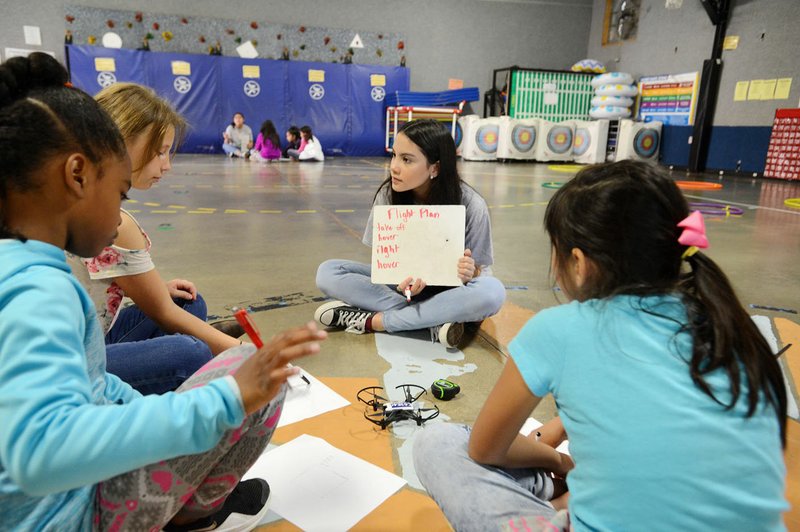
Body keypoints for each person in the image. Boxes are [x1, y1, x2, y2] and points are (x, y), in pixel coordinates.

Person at [0, 52, 327, 531]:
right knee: (250, 378)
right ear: (76, 175)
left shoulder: (24, 268)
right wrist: (224, 400)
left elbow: (95, 384)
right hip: (71, 515)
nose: (119, 214)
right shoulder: (38, 291)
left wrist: (156, 413)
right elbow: (41, 452)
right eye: (120, 193)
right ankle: (191, 516)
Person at [413, 161, 788, 531]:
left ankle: (557, 492)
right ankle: (565, 499)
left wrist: (558, 463)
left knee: (438, 443)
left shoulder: (558, 330)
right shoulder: (731, 327)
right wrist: (559, 429)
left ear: (578, 263)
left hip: (573, 489)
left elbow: (485, 450)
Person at [69, 83, 246, 395]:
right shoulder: (115, 222)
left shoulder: (80, 195)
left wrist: (156, 292)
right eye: (160, 152)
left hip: (86, 337)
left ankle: (203, 343)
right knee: (189, 354)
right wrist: (245, 355)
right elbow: (163, 312)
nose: (167, 165)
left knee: (187, 302)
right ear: (119, 142)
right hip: (68, 367)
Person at [314, 119, 505, 348]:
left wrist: (467, 272)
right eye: (394, 155)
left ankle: (377, 321)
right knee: (328, 272)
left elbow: (479, 270)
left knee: (492, 292)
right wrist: (399, 280)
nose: (394, 166)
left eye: (406, 160)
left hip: (454, 291)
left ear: (435, 167)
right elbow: (386, 262)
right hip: (402, 289)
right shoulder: (387, 196)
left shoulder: (472, 204)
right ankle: (432, 319)